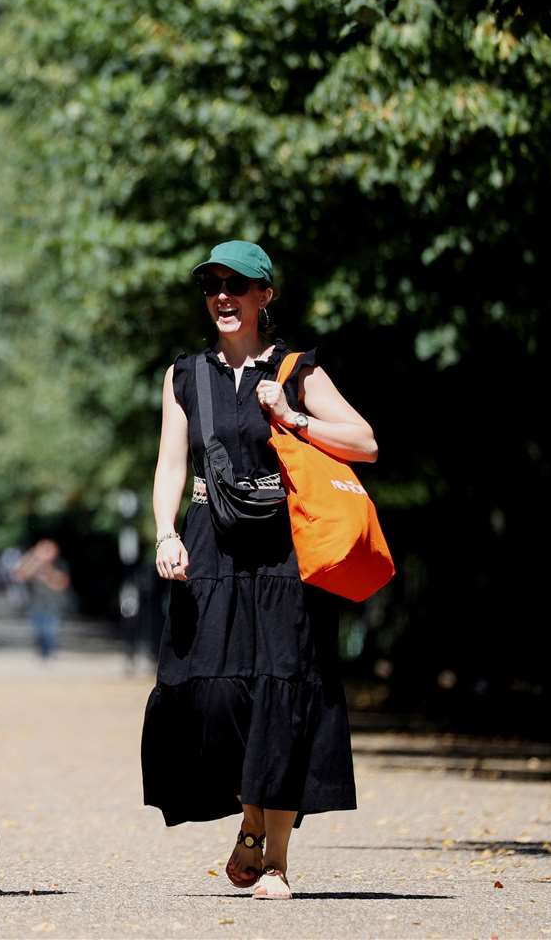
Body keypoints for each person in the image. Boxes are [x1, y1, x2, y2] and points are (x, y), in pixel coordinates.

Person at [141, 241, 379, 900]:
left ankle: (274, 860)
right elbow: (170, 463)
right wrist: (164, 531)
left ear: (263, 297)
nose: (224, 296)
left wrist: (293, 416)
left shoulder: (298, 369)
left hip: (286, 548)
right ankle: (250, 817)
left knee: (282, 686)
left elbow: (365, 442)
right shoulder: (184, 374)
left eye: (238, 286)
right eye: (213, 285)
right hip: (209, 544)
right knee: (209, 692)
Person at [14, 538, 72, 659]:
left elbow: (61, 583)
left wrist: (47, 569)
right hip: (36, 603)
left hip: (54, 604)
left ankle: (50, 651)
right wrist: (33, 558)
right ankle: (43, 652)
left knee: (51, 630)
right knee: (39, 630)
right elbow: (20, 575)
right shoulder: (34, 564)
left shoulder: (59, 564)